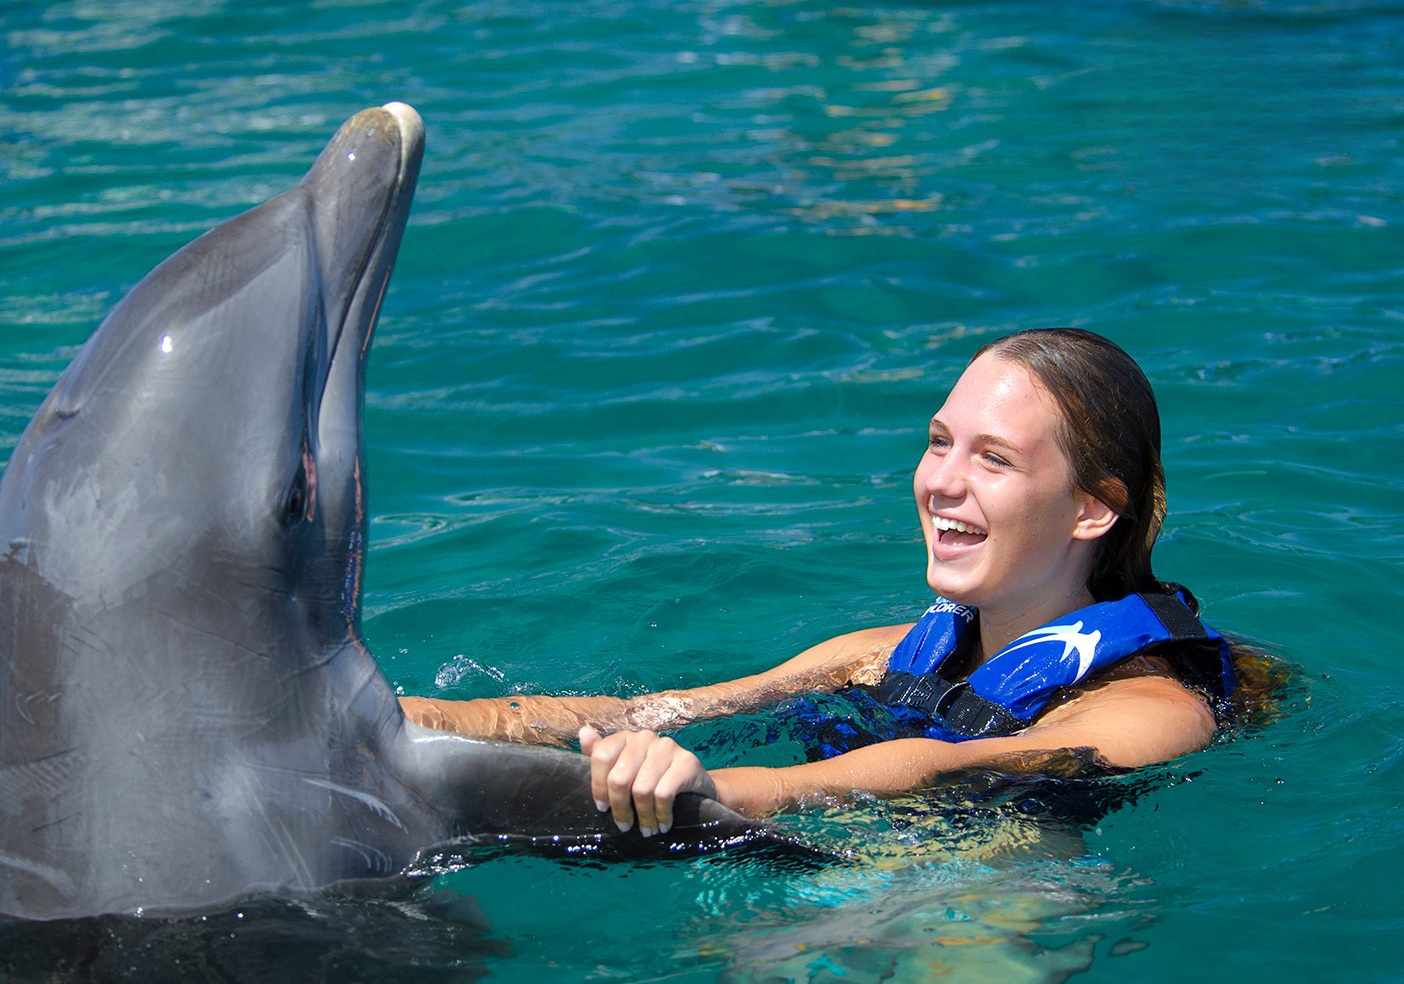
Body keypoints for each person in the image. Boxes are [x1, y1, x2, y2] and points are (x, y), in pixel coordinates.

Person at [399, 328, 1236, 838]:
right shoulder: (880, 657)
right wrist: (414, 719)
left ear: (1094, 510)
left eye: (995, 458)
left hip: (1011, 895)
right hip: (848, 859)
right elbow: (652, 711)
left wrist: (720, 788)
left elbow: (942, 766)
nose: (942, 482)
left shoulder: (1153, 711)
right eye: (940, 441)